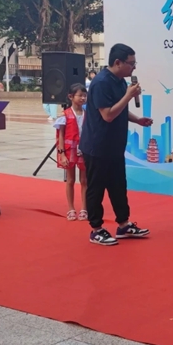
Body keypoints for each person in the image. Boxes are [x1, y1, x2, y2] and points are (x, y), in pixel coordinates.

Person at [78, 43, 153, 246]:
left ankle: (124, 224)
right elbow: (108, 114)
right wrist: (128, 95)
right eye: (131, 63)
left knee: (118, 186)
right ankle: (96, 229)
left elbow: (120, 109)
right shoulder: (101, 83)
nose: (134, 67)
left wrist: (137, 119)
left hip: (115, 145)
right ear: (118, 62)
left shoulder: (121, 82)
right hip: (97, 146)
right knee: (96, 188)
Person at [55, 83, 88, 221]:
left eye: (85, 95)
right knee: (70, 180)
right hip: (69, 151)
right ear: (71, 97)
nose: (83, 98)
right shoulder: (65, 115)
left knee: (84, 180)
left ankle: (84, 208)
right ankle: (71, 208)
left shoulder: (88, 114)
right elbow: (60, 135)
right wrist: (62, 154)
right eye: (80, 95)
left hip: (84, 150)